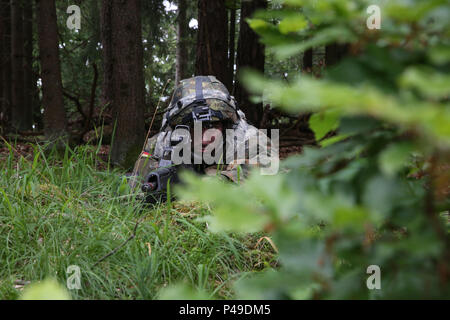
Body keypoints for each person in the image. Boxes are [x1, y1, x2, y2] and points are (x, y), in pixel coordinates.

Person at [128, 75, 275, 199]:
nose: (205, 138)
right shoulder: (161, 143)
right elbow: (133, 190)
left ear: (226, 124)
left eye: (213, 126)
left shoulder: (250, 139)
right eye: (194, 128)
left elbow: (271, 176)